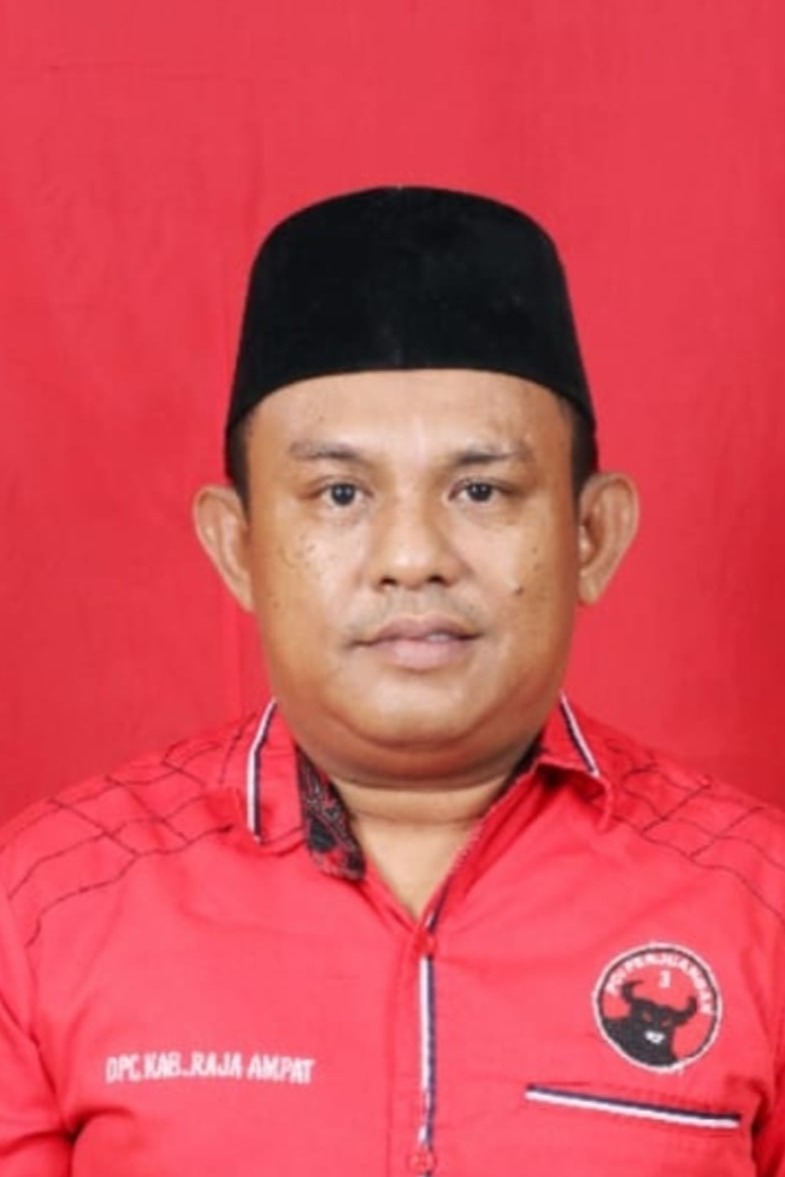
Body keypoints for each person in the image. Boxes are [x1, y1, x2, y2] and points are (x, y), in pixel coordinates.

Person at [0, 186, 783, 1176]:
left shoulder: (760, 907)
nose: (411, 557)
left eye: (480, 489)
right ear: (238, 545)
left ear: (591, 534)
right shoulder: (41, 909)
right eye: (339, 493)